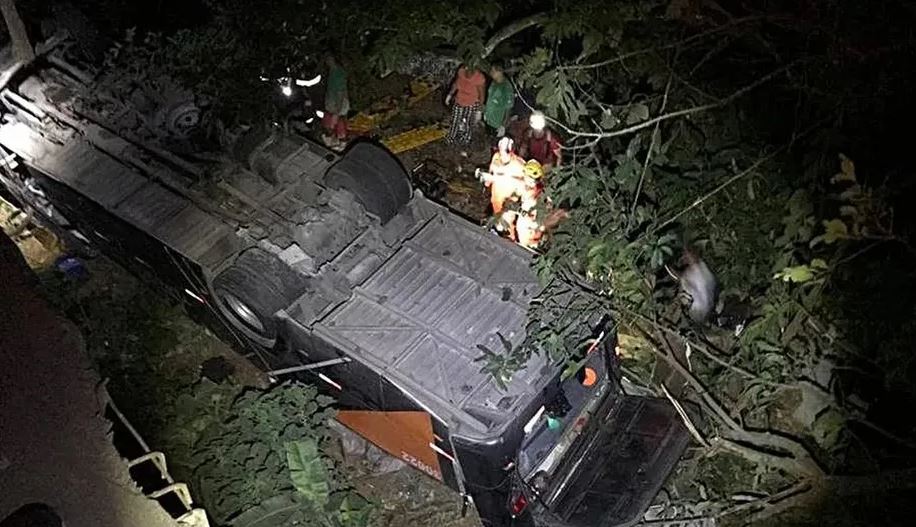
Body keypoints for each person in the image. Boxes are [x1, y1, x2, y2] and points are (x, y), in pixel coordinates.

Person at [479, 136, 525, 237]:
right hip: (496, 198)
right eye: (502, 151)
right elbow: (491, 171)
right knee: (497, 219)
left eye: (507, 151)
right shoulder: (496, 157)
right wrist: (487, 181)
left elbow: (525, 185)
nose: (504, 154)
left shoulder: (519, 165)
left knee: (507, 225)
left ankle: (510, 240)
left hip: (508, 203)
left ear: (512, 150)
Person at [445, 64, 486, 150]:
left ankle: (465, 140)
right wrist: (450, 94)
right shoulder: (461, 71)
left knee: (468, 123)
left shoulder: (479, 78)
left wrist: (479, 110)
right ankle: (451, 138)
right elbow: (456, 83)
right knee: (455, 120)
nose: (467, 69)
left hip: (472, 103)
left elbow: (482, 95)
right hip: (459, 100)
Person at [322, 55, 349, 146]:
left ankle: (339, 144)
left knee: (337, 126)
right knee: (334, 125)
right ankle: (337, 143)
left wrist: (337, 112)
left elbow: (340, 94)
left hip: (336, 107)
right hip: (334, 106)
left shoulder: (337, 74)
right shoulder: (333, 72)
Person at [483, 65, 514, 137]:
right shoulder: (494, 83)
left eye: (493, 71)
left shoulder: (506, 87)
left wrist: (503, 126)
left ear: (499, 72)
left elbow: (508, 108)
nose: (491, 73)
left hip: (496, 123)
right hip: (488, 118)